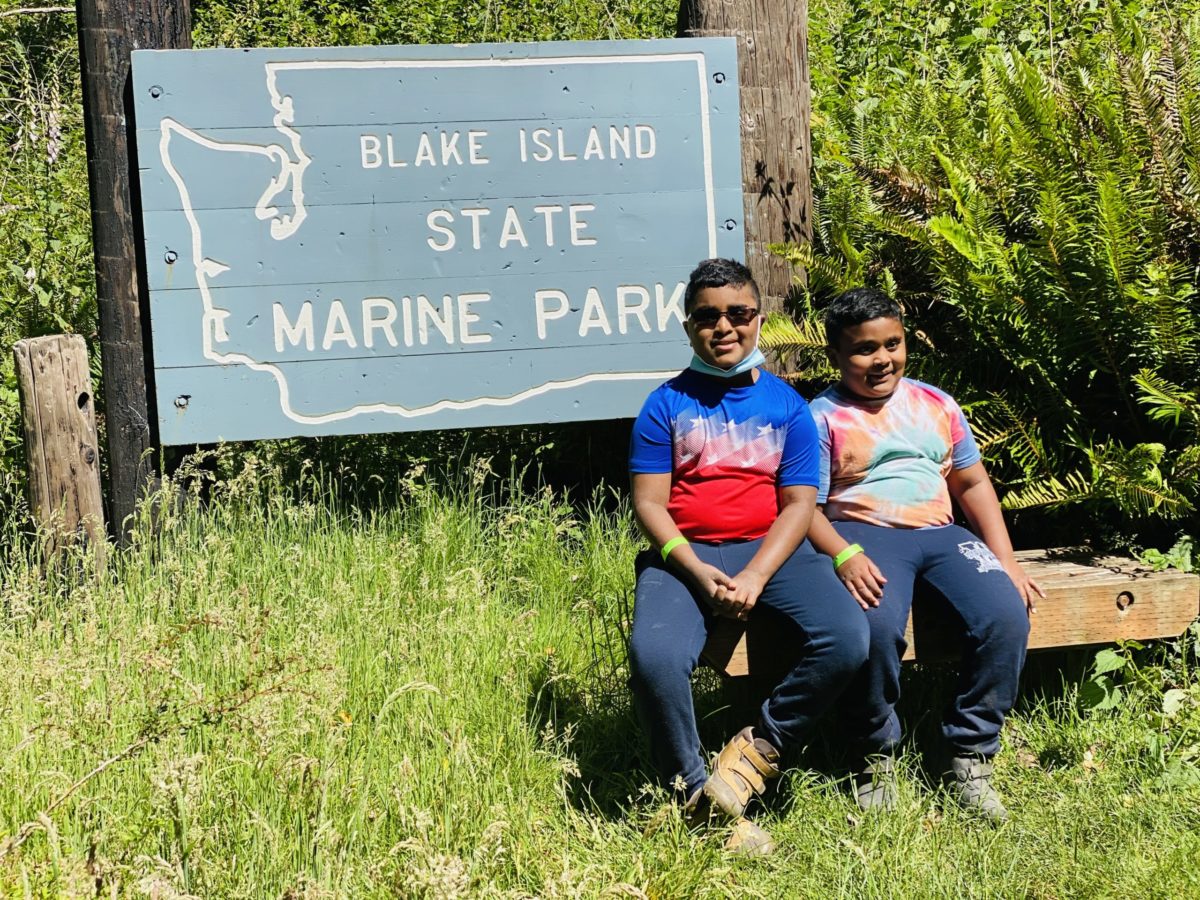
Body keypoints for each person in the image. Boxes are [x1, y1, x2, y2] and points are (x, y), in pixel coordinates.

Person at [627, 258, 869, 854]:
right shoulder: (664, 405)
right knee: (654, 655)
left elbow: (797, 505)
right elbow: (650, 504)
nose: (724, 327)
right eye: (708, 316)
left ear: (759, 319)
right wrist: (693, 566)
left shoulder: (788, 408)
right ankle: (692, 794)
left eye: (738, 314)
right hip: (684, 556)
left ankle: (757, 751)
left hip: (771, 552)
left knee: (847, 637)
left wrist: (758, 573)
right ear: (689, 329)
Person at [807, 286, 1042, 821]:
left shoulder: (936, 403)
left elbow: (972, 483)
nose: (882, 359)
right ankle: (875, 755)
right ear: (836, 356)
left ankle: (969, 750)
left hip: (942, 534)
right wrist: (843, 555)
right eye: (865, 349)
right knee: (875, 627)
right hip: (865, 536)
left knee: (1005, 614)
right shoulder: (820, 419)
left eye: (893, 344)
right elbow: (806, 509)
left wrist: (1005, 559)